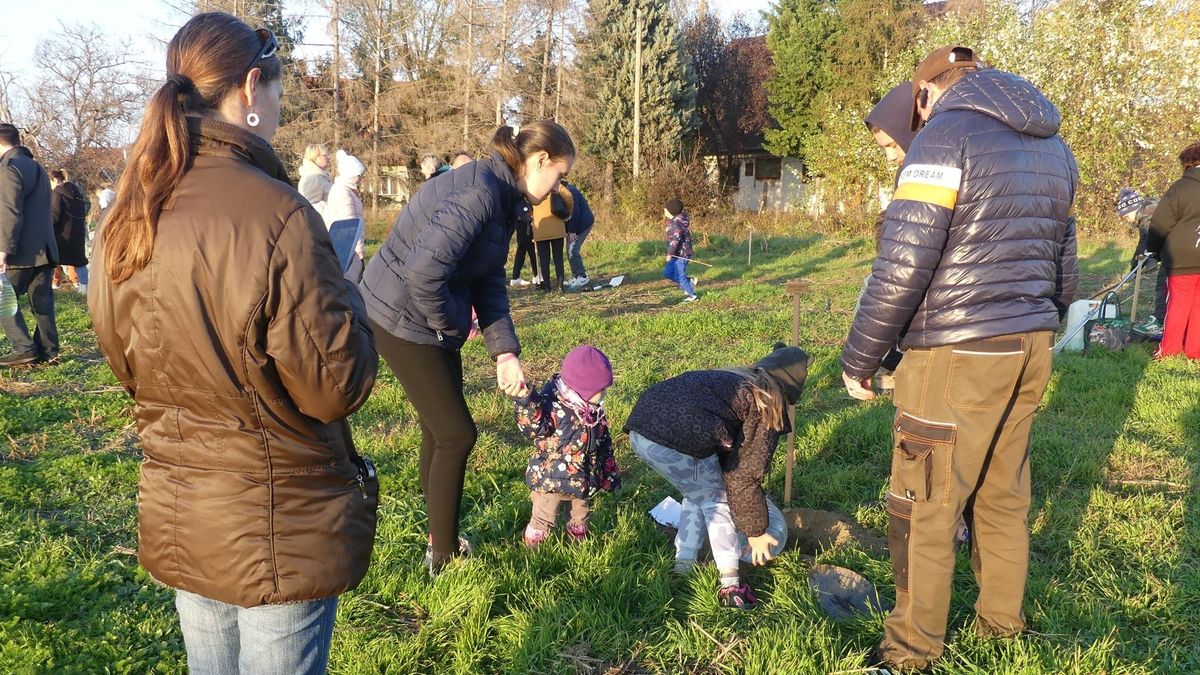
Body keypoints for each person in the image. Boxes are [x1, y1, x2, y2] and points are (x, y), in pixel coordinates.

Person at [87, 14, 380, 674]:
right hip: (277, 523)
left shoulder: (126, 213)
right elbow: (338, 386)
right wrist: (348, 284)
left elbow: (122, 355)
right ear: (251, 87)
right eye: (279, 91)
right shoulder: (277, 213)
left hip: (183, 509)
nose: (279, 107)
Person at [840, 46, 1079, 673]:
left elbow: (902, 263)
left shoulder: (944, 138)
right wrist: (1040, 322)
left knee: (923, 505)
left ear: (924, 93)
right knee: (1003, 495)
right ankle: (1003, 625)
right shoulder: (1054, 145)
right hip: (1031, 344)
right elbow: (1065, 259)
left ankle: (909, 652)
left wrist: (861, 356)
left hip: (955, 354)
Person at [360, 120, 574, 576]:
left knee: (442, 430)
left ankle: (438, 525)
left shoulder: (504, 198)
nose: (560, 185)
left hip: (426, 317)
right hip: (399, 317)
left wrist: (504, 352)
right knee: (456, 434)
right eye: (560, 174)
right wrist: (457, 323)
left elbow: (488, 279)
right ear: (538, 161)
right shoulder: (480, 195)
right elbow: (423, 276)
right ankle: (442, 556)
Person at [625, 343, 807, 609]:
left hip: (640, 429)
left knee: (696, 491)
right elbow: (743, 476)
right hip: (676, 437)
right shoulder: (765, 402)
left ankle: (683, 566)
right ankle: (731, 587)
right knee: (717, 500)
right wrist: (756, 532)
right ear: (786, 393)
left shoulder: (732, 380)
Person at [515, 345, 619, 548]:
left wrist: (609, 472)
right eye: (602, 389)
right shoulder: (552, 404)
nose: (605, 393)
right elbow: (533, 427)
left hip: (584, 476)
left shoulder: (593, 411)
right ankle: (533, 548)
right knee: (545, 515)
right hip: (552, 479)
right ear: (585, 388)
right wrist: (526, 402)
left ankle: (577, 543)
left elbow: (603, 442)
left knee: (580, 513)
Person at [0, 122, 59, 366]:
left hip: (21, 252)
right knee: (42, 303)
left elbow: (9, 212)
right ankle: (49, 349)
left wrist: (3, 250)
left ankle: (24, 348)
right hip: (45, 249)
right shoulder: (37, 167)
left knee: (3, 301)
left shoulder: (7, 168)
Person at [1145, 142, 1200, 359]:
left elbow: (1160, 223)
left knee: (1178, 305)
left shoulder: (1181, 187)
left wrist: (1153, 250)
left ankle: (1169, 351)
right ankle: (1194, 351)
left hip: (1182, 258)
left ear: (1188, 163)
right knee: (1198, 307)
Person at [1116, 187, 1166, 338]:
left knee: (1162, 286)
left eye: (1125, 216)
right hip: (1180, 250)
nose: (1127, 221)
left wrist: (1143, 260)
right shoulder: (1150, 209)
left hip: (1177, 254)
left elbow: (1146, 241)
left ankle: (1160, 321)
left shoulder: (1147, 217)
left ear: (1132, 208)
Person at [323, 149, 367, 273]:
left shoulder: (346, 190)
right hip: (350, 251)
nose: (360, 178)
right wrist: (359, 252)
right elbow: (350, 225)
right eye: (358, 175)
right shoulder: (344, 192)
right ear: (351, 174)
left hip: (347, 248)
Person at [49, 169, 90, 294]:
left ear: (54, 180)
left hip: (62, 232)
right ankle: (84, 286)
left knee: (52, 258)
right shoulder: (76, 190)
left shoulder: (57, 192)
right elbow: (86, 208)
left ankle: (52, 284)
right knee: (79, 259)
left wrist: (49, 228)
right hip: (77, 230)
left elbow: (55, 214)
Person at [532, 181, 571, 292]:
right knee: (558, 258)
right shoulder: (554, 184)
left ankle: (547, 286)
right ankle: (560, 286)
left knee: (544, 259)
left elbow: (527, 207)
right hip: (557, 226)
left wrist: (535, 216)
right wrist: (567, 213)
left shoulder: (532, 188)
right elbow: (569, 197)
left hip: (540, 228)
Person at [662, 198, 697, 302]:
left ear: (671, 211)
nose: (664, 210)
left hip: (682, 254)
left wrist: (670, 253)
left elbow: (675, 241)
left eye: (666, 208)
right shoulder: (674, 221)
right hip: (676, 254)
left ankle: (692, 295)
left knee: (680, 276)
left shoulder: (676, 224)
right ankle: (688, 282)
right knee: (667, 273)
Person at [563, 182, 595, 288]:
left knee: (573, 250)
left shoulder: (570, 191)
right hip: (574, 226)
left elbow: (575, 212)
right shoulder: (561, 191)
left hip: (583, 224)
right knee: (568, 250)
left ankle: (583, 277)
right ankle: (576, 276)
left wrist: (572, 231)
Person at [297, 142, 333, 210]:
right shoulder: (313, 178)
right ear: (315, 158)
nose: (329, 157)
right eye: (325, 155)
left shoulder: (321, 177)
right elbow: (311, 207)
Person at [510, 207, 539, 286]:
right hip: (525, 226)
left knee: (522, 251)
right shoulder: (522, 199)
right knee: (530, 250)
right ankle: (536, 276)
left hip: (523, 225)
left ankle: (516, 277)